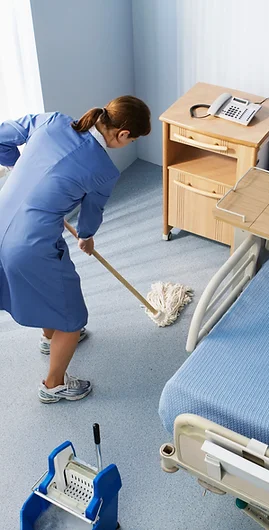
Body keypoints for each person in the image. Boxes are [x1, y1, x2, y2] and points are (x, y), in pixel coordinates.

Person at [0, 96, 151, 403]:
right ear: (122, 135)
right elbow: (91, 215)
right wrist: (86, 237)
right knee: (73, 317)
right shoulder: (104, 171)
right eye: (132, 139)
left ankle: (48, 337)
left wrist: (21, 170)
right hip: (30, 246)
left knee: (48, 288)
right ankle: (54, 385)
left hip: (2, 224)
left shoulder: (51, 120)